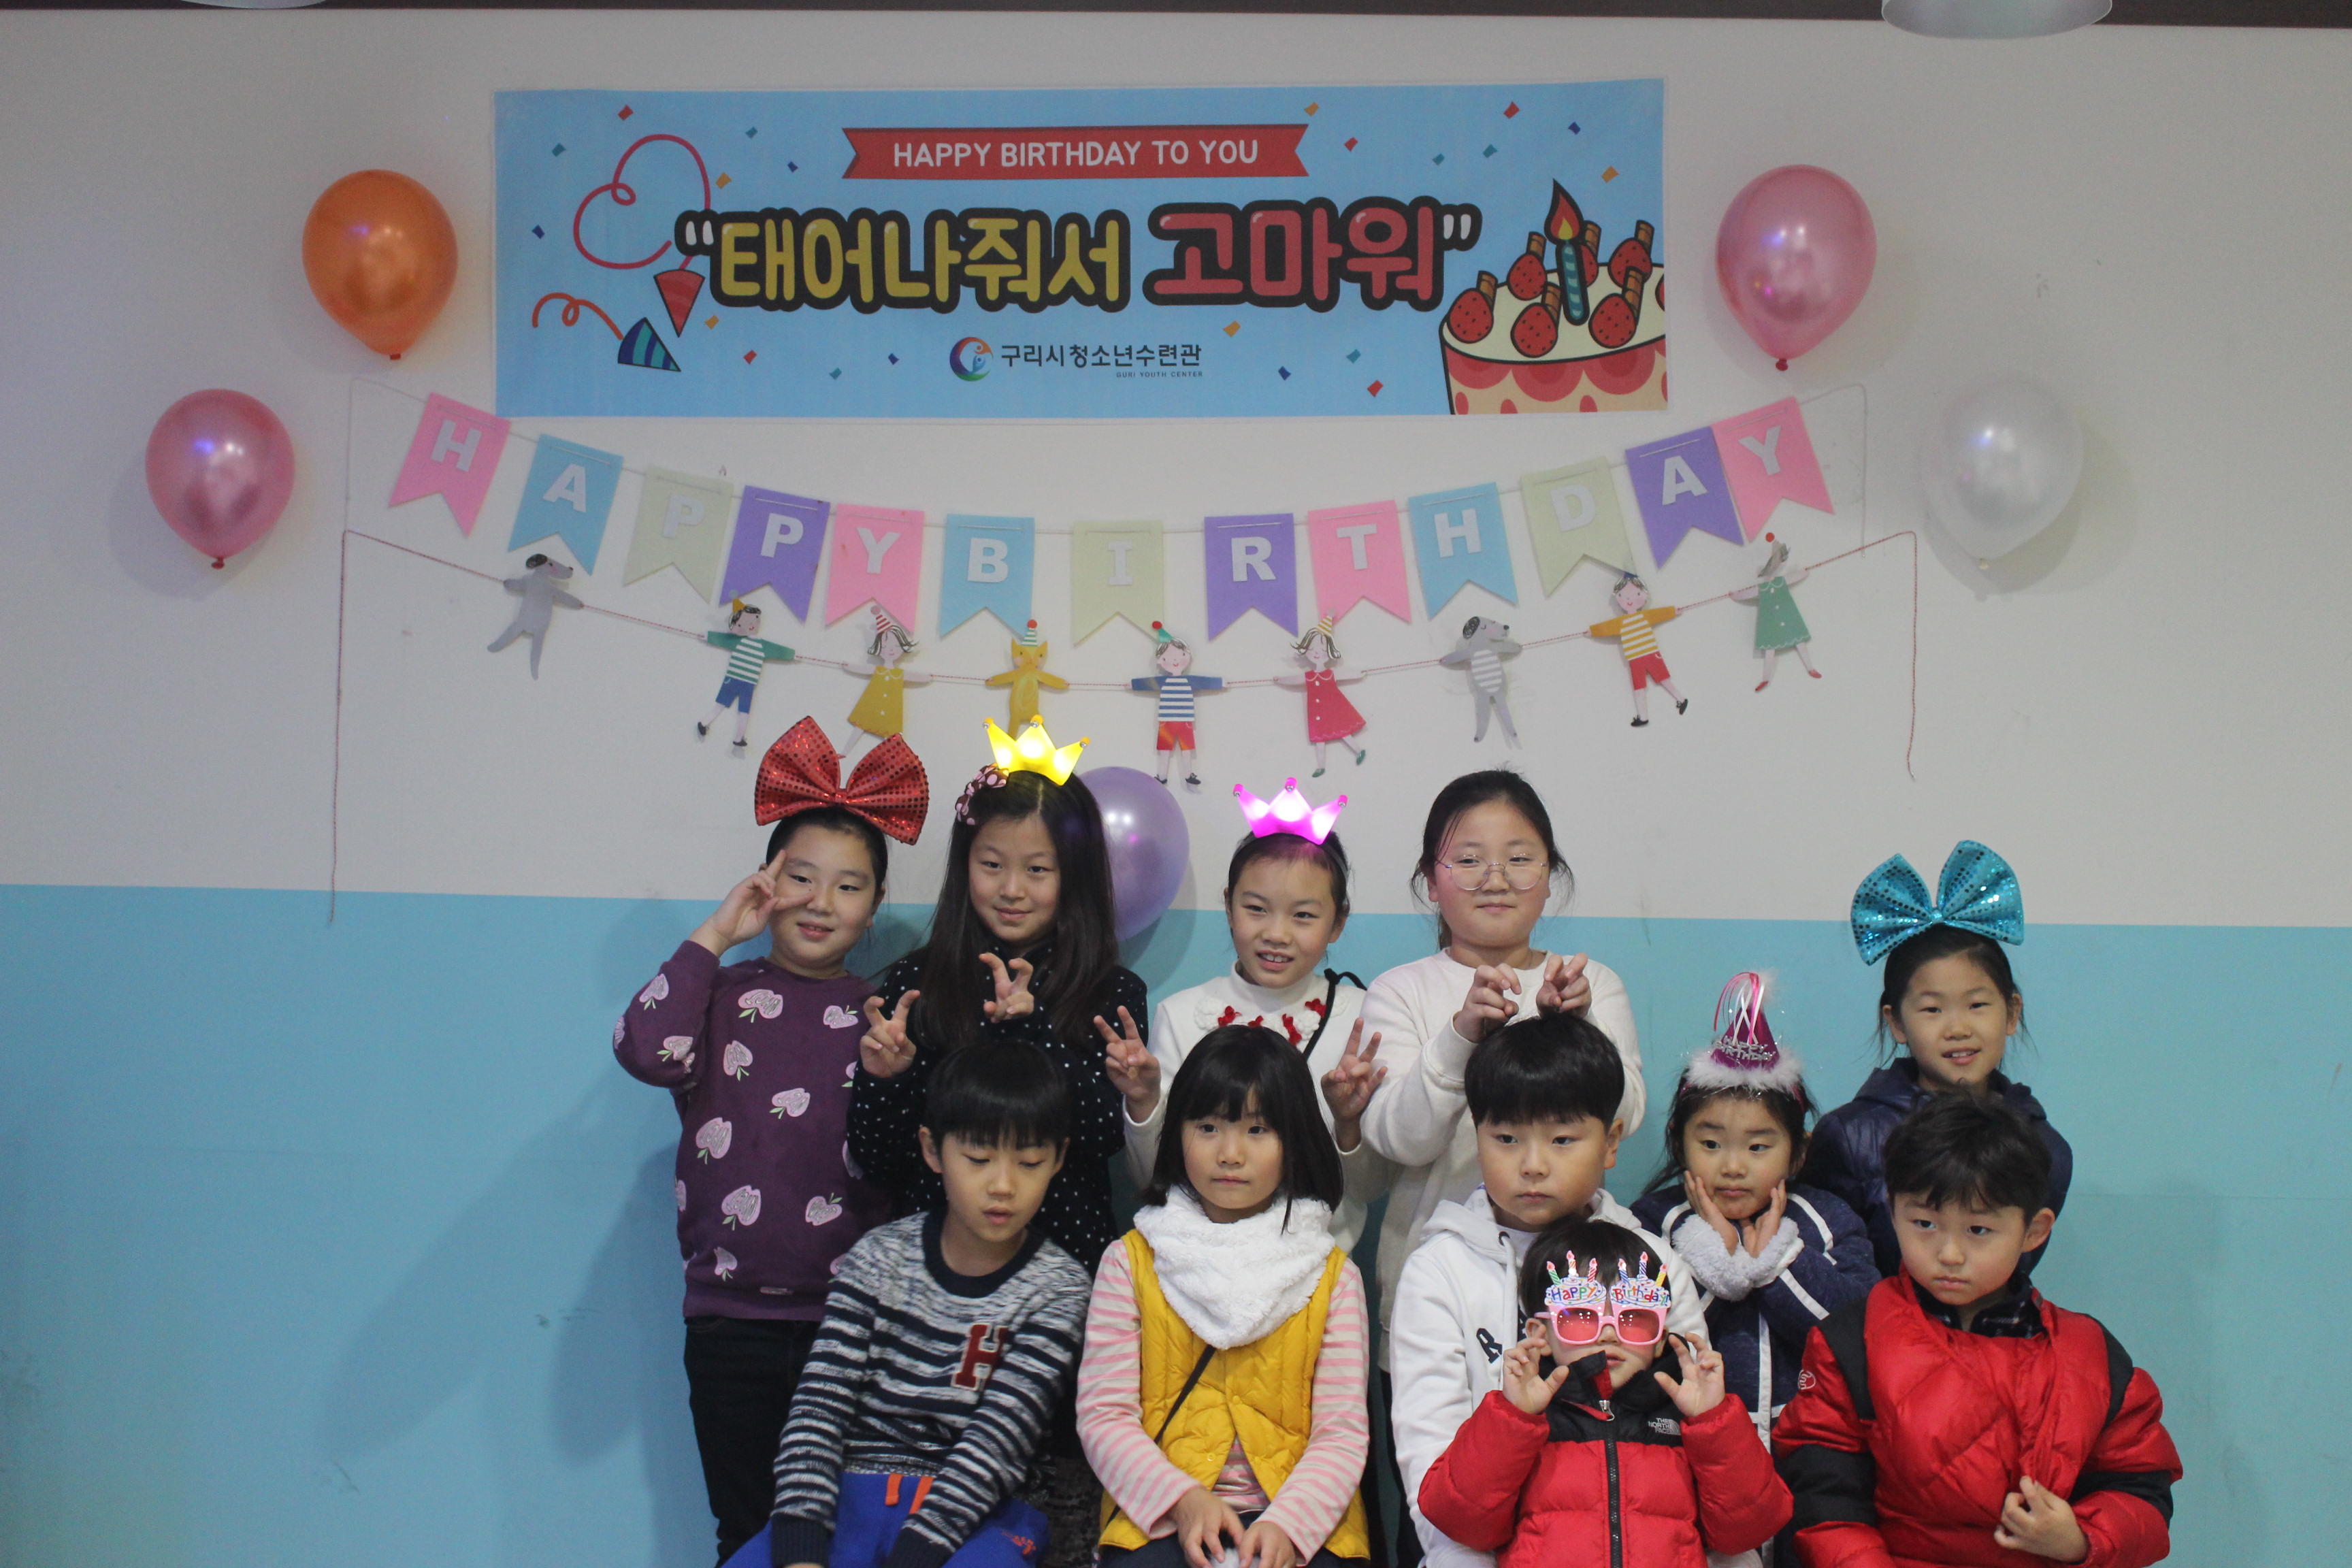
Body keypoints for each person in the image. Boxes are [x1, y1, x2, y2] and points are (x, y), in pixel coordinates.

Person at [616, 717, 928, 1567]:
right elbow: (645, 1050)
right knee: (749, 1535)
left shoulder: (883, 1016)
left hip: (854, 1327)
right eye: (800, 878)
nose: (821, 903)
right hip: (731, 1323)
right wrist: (719, 931)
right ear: (766, 884)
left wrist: (895, 1077)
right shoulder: (719, 994)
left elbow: (911, 1163)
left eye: (849, 887)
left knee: (849, 1537)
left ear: (875, 907)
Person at [851, 737, 1143, 1568]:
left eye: (1038, 870)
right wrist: (882, 1081)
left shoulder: (1108, 992)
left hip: (1061, 1296)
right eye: (992, 865)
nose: (1012, 889)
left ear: (1074, 878)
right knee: (935, 1525)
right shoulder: (913, 987)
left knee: (1057, 1525)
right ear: (964, 866)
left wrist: (1035, 1033)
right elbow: (878, 1161)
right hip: (933, 1315)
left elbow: (1102, 1138)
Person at [1774, 1096, 2182, 1568]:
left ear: (2034, 1230)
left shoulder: (2090, 1354)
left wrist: (2079, 1540)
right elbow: (1824, 1499)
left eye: (1979, 1230)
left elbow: (2141, 1492)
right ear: (1893, 1212)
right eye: (1924, 1224)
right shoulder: (1850, 1342)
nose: (1949, 1253)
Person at [749, 1040, 1095, 1568]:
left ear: (1058, 1159)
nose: (1003, 1186)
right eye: (978, 1159)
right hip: (848, 1496)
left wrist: (914, 1558)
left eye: (1029, 1163)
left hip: (975, 1514)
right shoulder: (878, 1258)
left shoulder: (1059, 1289)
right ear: (933, 1150)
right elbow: (818, 1409)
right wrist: (801, 1547)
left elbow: (996, 1446)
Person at [1386, 1014, 1699, 1568]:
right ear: (1477, 1135)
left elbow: (1706, 1444)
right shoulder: (1438, 1271)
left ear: (1611, 1142)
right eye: (1507, 1138)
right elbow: (1430, 1462)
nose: (1532, 1165)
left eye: (1562, 1139)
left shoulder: (1654, 1264)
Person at [1077, 1027, 1371, 1568]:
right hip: (1164, 1515)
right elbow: (1104, 1416)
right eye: (1208, 1127)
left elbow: (1341, 1434)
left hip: (1301, 1518)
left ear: (1294, 1141)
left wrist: (1288, 1525)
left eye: (1258, 1130)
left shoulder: (1332, 1277)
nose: (1230, 1154)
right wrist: (1182, 1501)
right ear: (1176, 1134)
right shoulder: (1131, 1262)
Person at [1099, 787, 1392, 1252]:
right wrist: (1144, 1102)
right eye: (1256, 909)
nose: (1276, 934)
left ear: (1338, 922)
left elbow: (1369, 1188)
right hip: (1195, 1267)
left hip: (1318, 1271)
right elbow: (1154, 1179)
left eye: (1303, 915)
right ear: (1229, 906)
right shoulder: (1182, 1015)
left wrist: (1348, 1122)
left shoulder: (1362, 1019)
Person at [1417, 1217, 1789, 1568]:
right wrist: (1514, 1418)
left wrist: (1713, 1422)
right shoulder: (1523, 1419)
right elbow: (1461, 1523)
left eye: (1634, 1317)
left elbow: (1747, 1532)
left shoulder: (1688, 1420)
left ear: (1660, 1338)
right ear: (1540, 1335)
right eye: (1582, 1316)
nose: (1609, 1334)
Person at [1630, 973, 1876, 1447]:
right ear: (1680, 1143)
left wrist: (1775, 1261)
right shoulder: (1652, 1223)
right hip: (1687, 1444)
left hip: (1805, 1446)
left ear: (1798, 1153)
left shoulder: (1829, 1220)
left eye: (1758, 1147)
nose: (1733, 1167)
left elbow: (1855, 1330)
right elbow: (1647, 1339)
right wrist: (1714, 1253)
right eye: (1710, 1144)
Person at [1813, 841, 2072, 1277]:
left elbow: (2008, 1279)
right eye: (1932, 1009)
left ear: (2012, 1013)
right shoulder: (1848, 1138)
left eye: (1977, 1005)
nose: (1957, 1028)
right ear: (1897, 1023)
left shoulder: (2045, 1148)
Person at [702, 600, 799, 751]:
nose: (752, 625)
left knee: (741, 709)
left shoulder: (761, 645)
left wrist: (792, 655)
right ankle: (706, 724)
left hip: (746, 682)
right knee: (727, 706)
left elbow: (779, 651)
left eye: (755, 620)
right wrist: (708, 636)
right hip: (737, 679)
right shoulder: (741, 641)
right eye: (744, 623)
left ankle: (736, 736)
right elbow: (722, 639)